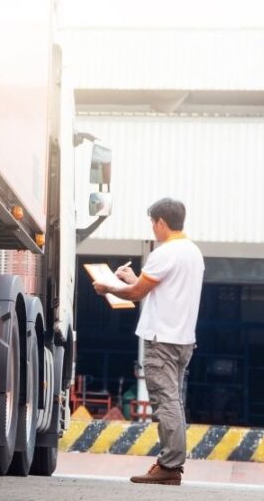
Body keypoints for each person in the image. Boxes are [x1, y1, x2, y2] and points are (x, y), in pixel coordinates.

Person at [92, 197, 204, 486]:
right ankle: (171, 463)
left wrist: (108, 287)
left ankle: (170, 465)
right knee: (173, 400)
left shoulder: (164, 252)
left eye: (153, 223)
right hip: (182, 340)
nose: (153, 229)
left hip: (161, 340)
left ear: (161, 222)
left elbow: (135, 294)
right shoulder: (193, 252)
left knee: (165, 402)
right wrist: (132, 278)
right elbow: (158, 289)